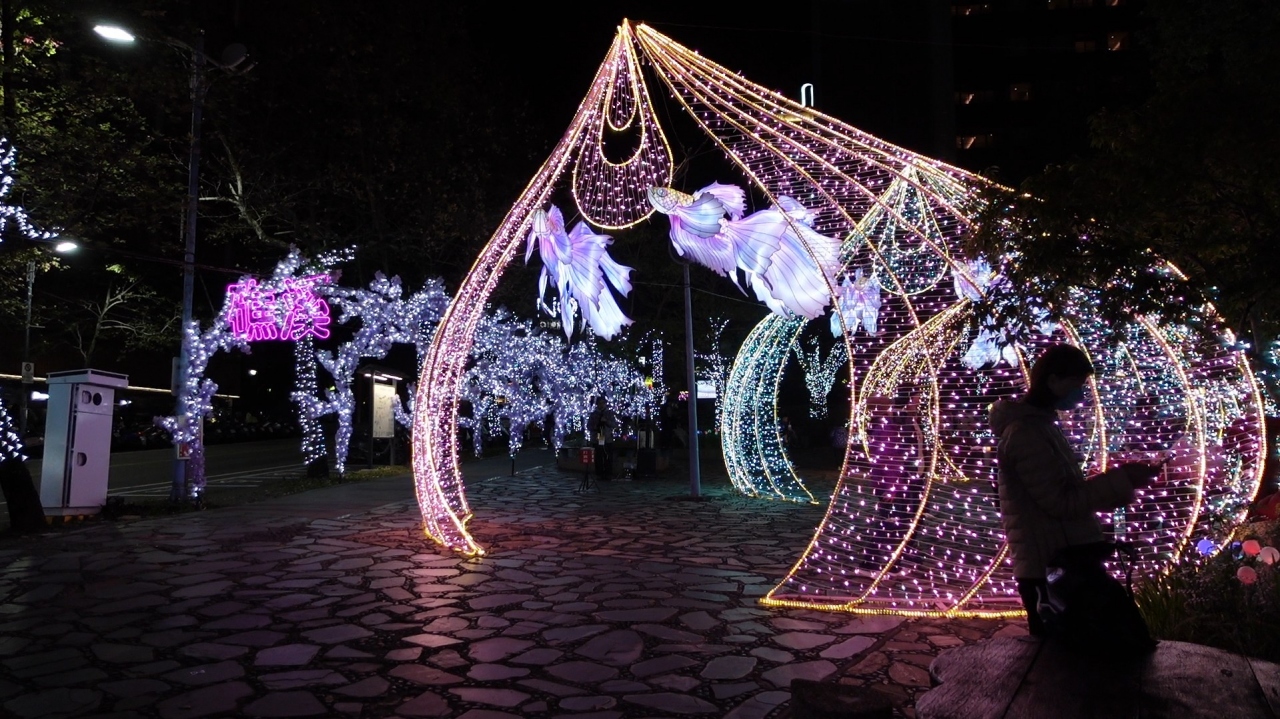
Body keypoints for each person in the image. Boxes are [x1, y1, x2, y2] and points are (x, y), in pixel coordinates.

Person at [990, 343, 1161, 637]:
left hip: (1063, 560)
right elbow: (1060, 502)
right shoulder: (1026, 433)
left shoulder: (1042, 426)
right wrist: (1122, 480)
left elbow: (1065, 491)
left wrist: (1118, 484)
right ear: (1053, 381)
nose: (1080, 394)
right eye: (1075, 385)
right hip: (1050, 570)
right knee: (1066, 656)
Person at [586, 396, 617, 481]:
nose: (602, 405)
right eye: (600, 403)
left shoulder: (609, 413)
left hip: (607, 437)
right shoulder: (594, 414)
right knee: (598, 456)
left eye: (603, 403)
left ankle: (608, 473)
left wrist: (606, 421)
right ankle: (599, 473)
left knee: (608, 456)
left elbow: (614, 424)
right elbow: (589, 426)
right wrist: (595, 426)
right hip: (598, 437)